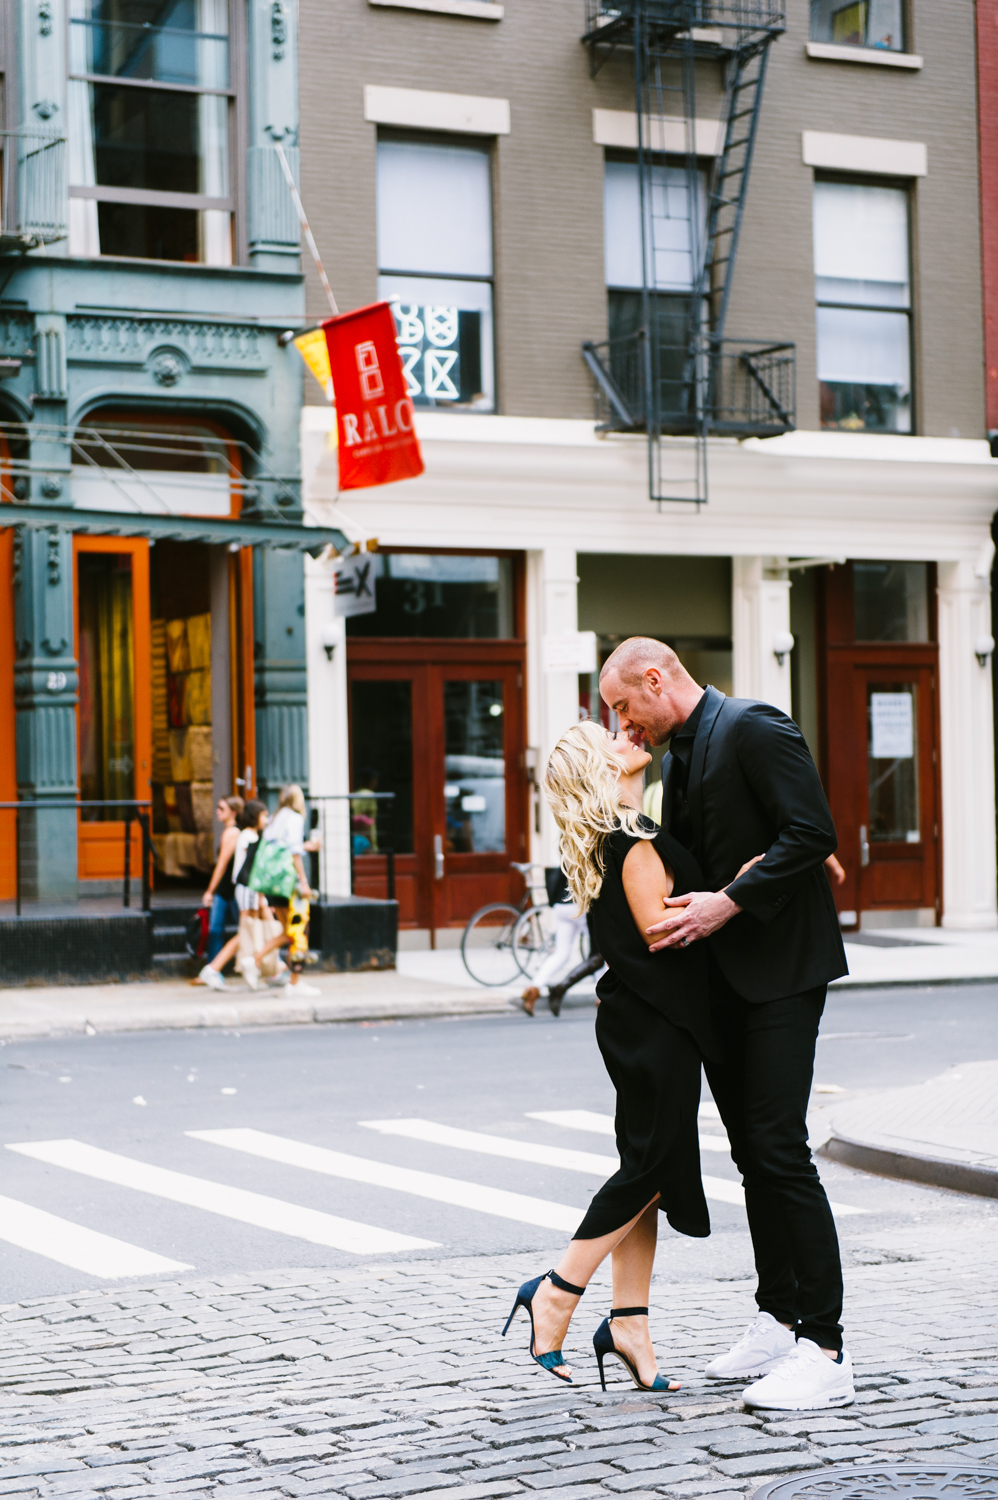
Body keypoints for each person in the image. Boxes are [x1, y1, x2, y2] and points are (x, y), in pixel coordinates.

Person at [599, 637, 853, 1412]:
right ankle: (777, 1319)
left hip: (782, 974)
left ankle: (826, 1349)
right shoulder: (676, 760)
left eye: (623, 707)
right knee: (751, 1155)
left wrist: (733, 897)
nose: (624, 726)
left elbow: (812, 832)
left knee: (778, 1150)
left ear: (654, 678)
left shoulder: (753, 724)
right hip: (725, 983)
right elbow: (692, 861)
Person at [503, 717, 729, 1392]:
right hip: (657, 1024)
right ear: (601, 770)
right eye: (611, 739)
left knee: (646, 1170)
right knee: (652, 1171)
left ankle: (629, 1322)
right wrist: (736, 894)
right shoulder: (632, 838)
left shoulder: (614, 835)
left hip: (639, 1022)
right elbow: (664, 935)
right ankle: (557, 1289)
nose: (626, 736)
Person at [250, 784, 323, 996]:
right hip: (289, 885)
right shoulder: (295, 818)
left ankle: (254, 960)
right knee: (300, 932)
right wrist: (304, 882)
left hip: (273, 884)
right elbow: (293, 853)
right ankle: (295, 983)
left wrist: (306, 846)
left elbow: (283, 847)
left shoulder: (275, 818)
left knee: (287, 933)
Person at [198, 800, 270, 991]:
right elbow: (250, 867)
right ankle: (214, 968)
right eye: (264, 816)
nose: (267, 819)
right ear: (256, 816)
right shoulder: (247, 836)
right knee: (247, 930)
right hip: (247, 889)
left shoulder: (246, 834)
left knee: (251, 930)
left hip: (244, 889)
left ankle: (268, 968)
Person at [520, 867, 589, 1017]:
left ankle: (534, 987)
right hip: (580, 904)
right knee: (598, 954)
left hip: (561, 904)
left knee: (561, 953)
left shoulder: (567, 854)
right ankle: (600, 998)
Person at [199, 795, 244, 965]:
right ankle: (212, 968)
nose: (217, 811)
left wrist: (209, 891)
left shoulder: (232, 832)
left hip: (230, 889)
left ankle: (213, 968)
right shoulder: (231, 831)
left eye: (222, 808)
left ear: (233, 812)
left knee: (240, 929)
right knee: (216, 930)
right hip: (226, 888)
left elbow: (222, 865)